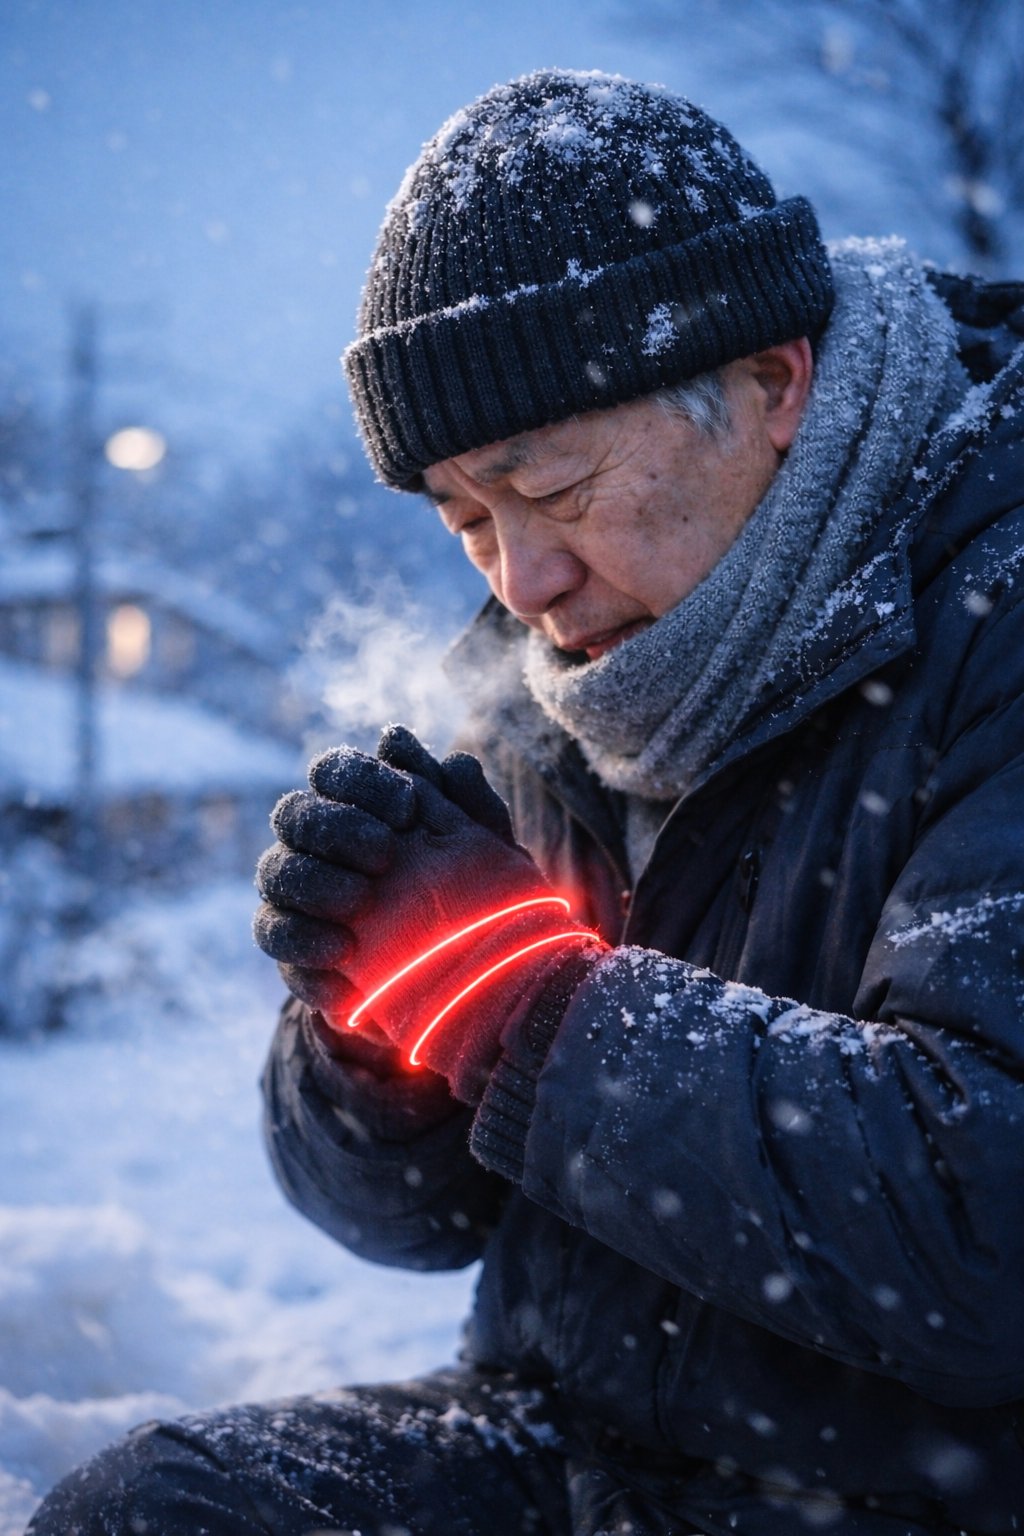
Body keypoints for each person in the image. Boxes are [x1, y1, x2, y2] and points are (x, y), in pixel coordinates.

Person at [32, 68, 1024, 1536]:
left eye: (553, 490)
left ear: (770, 384)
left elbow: (984, 1226)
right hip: (572, 1444)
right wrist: (374, 1039)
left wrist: (516, 997)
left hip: (922, 1496)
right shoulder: (544, 682)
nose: (521, 583)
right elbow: (411, 1226)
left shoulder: (993, 623)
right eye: (465, 522)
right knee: (149, 1513)